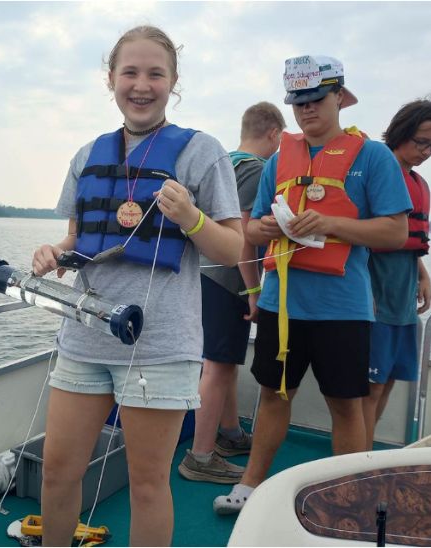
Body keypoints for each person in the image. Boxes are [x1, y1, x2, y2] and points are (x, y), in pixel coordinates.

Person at [31, 25, 243, 546]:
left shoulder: (201, 152)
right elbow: (77, 239)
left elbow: (234, 250)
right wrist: (55, 254)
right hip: (84, 338)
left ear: (173, 82)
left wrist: (192, 218)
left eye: (156, 73)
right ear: (111, 80)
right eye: (130, 72)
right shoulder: (87, 156)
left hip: (160, 346)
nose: (141, 85)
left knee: (149, 485)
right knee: (59, 472)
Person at [213, 54, 412, 514]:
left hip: (343, 308)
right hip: (283, 305)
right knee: (273, 395)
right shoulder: (280, 159)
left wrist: (332, 224)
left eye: (316, 100)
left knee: (345, 405)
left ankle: (353, 498)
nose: (306, 110)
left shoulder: (374, 157)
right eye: (297, 102)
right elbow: (254, 226)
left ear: (339, 97)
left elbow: (395, 232)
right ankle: (249, 485)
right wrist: (265, 229)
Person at [178, 102, 286, 483]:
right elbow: (242, 236)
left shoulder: (224, 161)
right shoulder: (257, 169)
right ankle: (200, 456)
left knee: (221, 359)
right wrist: (254, 290)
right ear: (273, 133)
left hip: (202, 275)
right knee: (220, 364)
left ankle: (230, 434)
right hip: (230, 280)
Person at [362, 99, 431, 449]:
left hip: (402, 302)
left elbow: (406, 237)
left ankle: (365, 454)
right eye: (420, 141)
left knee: (386, 383)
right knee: (368, 388)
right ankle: (360, 461)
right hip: (376, 299)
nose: (426, 151)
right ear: (400, 132)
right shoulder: (376, 171)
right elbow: (362, 237)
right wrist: (364, 292)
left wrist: (423, 272)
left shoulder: (418, 182)